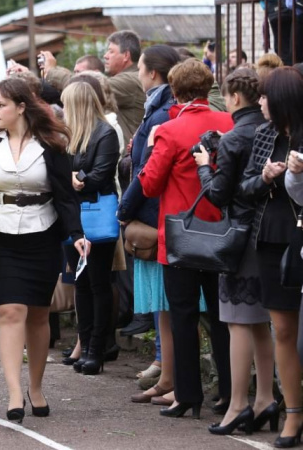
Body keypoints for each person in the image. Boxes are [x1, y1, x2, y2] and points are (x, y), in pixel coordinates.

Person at [0, 78, 87, 422]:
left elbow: (66, 196)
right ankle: (14, 393)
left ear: (21, 107)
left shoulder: (52, 146)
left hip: (43, 235)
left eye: (0, 105)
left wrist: (76, 233)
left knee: (38, 314)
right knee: (8, 312)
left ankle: (36, 387)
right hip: (0, 238)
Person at [138, 59, 233, 419]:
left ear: (174, 91)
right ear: (208, 88)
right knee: (225, 318)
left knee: (183, 316)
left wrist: (148, 148)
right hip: (222, 232)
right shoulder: (229, 123)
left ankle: (188, 394)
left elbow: (149, 184)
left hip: (181, 234)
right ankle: (229, 393)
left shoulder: (168, 129)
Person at [191, 68, 276, 436]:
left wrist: (203, 167)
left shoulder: (233, 138)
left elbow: (217, 195)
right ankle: (266, 398)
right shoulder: (269, 130)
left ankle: (239, 403)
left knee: (238, 322)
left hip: (238, 239)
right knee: (261, 322)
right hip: (267, 235)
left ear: (234, 98)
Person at [240, 67, 303, 447]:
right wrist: (264, 177)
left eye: (264, 97)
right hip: (271, 237)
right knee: (282, 330)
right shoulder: (263, 135)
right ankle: (293, 412)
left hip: (299, 235)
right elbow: (244, 188)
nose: (259, 102)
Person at [118, 44, 181, 404]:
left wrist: (125, 210)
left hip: (158, 215)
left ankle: (172, 378)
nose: (138, 75)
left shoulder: (160, 115)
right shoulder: (155, 109)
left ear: (152, 73)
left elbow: (147, 173)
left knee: (168, 304)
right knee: (165, 304)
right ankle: (166, 371)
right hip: (162, 214)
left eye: (140, 68)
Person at [61, 81, 120, 375]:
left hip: (96, 213)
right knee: (81, 283)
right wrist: (72, 176)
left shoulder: (104, 133)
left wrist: (76, 176)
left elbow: (100, 173)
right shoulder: (69, 134)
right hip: (73, 215)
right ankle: (85, 344)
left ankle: (98, 347)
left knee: (98, 282)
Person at [102, 30, 146, 144]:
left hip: (129, 156)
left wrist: (52, 73)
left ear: (126, 55)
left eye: (111, 51)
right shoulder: (131, 77)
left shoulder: (129, 80)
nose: (105, 56)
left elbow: (87, 88)